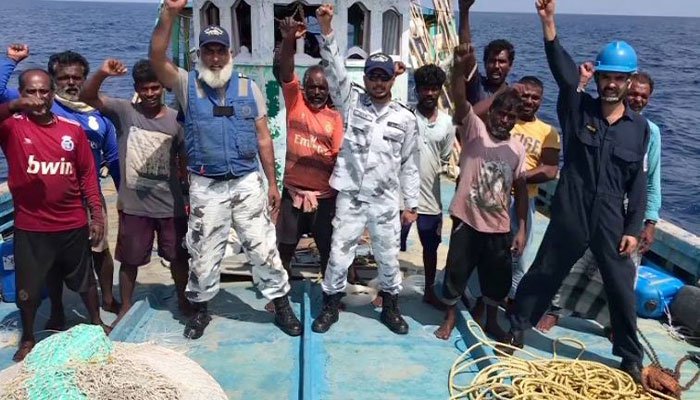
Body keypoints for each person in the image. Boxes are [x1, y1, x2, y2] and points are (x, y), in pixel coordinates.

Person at [506, 0, 649, 382]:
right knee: (547, 268)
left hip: (611, 216)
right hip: (572, 206)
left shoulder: (639, 129)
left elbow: (638, 184)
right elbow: (564, 73)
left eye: (619, 78)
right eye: (606, 77)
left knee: (620, 285)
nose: (611, 84)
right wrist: (548, 22)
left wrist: (633, 228)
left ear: (630, 81)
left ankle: (630, 355)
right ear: (597, 77)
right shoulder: (578, 110)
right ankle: (518, 324)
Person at [150, 0, 301, 339]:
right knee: (203, 251)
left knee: (263, 247)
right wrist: (169, 14)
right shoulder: (187, 86)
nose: (215, 58)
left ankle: (281, 305)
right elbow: (157, 59)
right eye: (209, 51)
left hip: (247, 181)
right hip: (206, 184)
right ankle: (202, 310)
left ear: (230, 54)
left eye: (220, 51)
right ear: (200, 54)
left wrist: (272, 184)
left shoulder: (249, 87)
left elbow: (263, 138)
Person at [311, 4, 420, 335]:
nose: (378, 82)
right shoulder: (351, 103)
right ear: (366, 78)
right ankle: (330, 306)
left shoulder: (405, 118)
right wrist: (327, 30)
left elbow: (409, 163)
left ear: (392, 79)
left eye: (384, 77)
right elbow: (334, 71)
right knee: (338, 254)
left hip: (385, 199)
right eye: (373, 76)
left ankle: (390, 308)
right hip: (352, 196)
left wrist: (411, 204)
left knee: (387, 256)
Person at [0, 45, 121, 327]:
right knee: (53, 264)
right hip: (46, 205)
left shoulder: (98, 114)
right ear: (53, 83)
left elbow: (113, 157)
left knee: (99, 251)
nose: (71, 83)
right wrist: (11, 61)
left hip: (87, 194)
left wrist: (122, 199)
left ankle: (107, 299)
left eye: (77, 78)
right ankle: (57, 310)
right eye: (64, 78)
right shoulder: (39, 102)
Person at [537, 70, 662, 334]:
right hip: (593, 206)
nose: (637, 99)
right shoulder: (598, 117)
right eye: (634, 93)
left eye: (644, 96)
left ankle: (615, 325)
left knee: (621, 275)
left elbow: (651, 180)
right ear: (625, 88)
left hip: (627, 212)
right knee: (575, 263)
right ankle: (555, 310)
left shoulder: (649, 131)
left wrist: (648, 222)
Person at [79, 59, 192, 324]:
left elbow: (184, 160)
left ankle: (183, 299)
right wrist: (103, 73)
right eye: (144, 88)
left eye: (155, 87)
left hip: (170, 206)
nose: (150, 93)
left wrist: (187, 193)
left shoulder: (176, 120)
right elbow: (87, 96)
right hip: (133, 206)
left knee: (178, 258)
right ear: (136, 89)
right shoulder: (124, 112)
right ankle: (126, 306)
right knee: (129, 261)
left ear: (163, 88)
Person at [433, 43, 528, 341]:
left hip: (499, 227)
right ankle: (450, 317)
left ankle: (491, 321)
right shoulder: (475, 131)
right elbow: (460, 100)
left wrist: (522, 228)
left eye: (511, 117)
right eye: (500, 114)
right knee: (456, 272)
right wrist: (459, 67)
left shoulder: (517, 149)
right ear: (492, 112)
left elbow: (521, 189)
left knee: (496, 280)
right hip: (467, 220)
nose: (504, 120)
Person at [274, 17, 343, 278]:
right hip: (292, 194)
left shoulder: (335, 118)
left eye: (322, 88)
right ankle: (280, 290)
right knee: (285, 248)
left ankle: (329, 292)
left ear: (328, 91)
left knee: (327, 249)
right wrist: (289, 39)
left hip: (324, 198)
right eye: (312, 87)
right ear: (303, 88)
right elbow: (286, 71)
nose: (316, 92)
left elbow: (338, 157)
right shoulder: (295, 103)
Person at [398, 64, 455, 309]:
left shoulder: (447, 123)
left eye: (434, 88)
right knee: (390, 245)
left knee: (430, 248)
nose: (429, 93)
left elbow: (445, 156)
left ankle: (430, 291)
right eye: (424, 88)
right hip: (402, 197)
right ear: (417, 90)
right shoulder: (405, 117)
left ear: (440, 90)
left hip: (431, 198)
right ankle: (388, 291)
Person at [457, 0, 516, 115]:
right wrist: (464, 12)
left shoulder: (514, 95)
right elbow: (466, 52)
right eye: (492, 61)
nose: (496, 66)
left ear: (510, 65)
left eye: (502, 62)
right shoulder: (477, 85)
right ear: (484, 63)